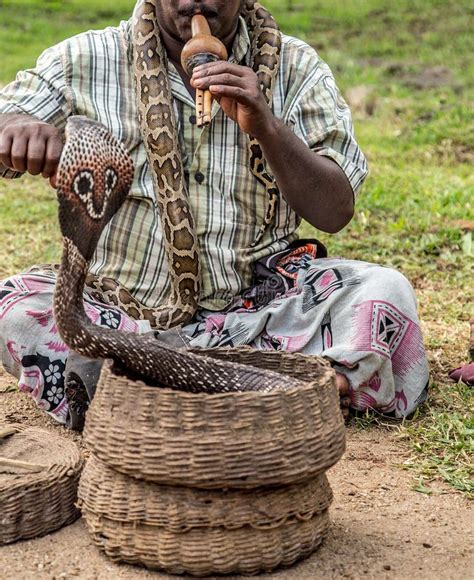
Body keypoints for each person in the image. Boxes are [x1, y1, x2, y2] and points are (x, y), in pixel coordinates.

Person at [0, 0, 429, 428]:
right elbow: (8, 116)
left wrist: (266, 125)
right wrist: (16, 129)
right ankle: (280, 398)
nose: (194, 2)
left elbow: (334, 211)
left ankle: (138, 400)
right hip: (119, 316)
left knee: (383, 292)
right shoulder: (84, 59)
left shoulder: (298, 68)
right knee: (14, 308)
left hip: (260, 312)